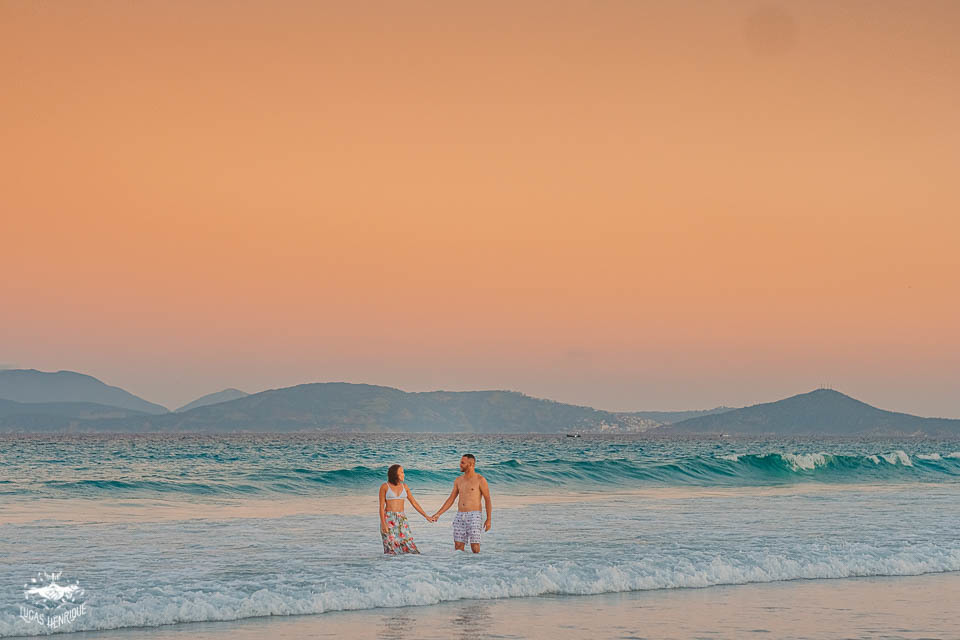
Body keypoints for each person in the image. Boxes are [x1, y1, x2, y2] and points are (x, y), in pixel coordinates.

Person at [432, 454, 492, 553]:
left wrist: (488, 519)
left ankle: (477, 567)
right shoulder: (458, 480)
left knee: (475, 545)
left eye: (462, 463)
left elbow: (488, 500)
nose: (460, 465)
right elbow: (451, 499)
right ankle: (461, 568)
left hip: (474, 515)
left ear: (471, 464)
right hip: (460, 515)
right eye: (460, 462)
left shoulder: (480, 480)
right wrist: (438, 513)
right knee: (458, 545)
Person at [379, 464, 435, 555]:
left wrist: (426, 516)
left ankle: (409, 566)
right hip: (388, 519)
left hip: (402, 518)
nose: (404, 474)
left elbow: (414, 503)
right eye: (401, 472)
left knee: (409, 544)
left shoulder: (405, 487)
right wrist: (383, 524)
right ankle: (391, 568)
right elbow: (381, 507)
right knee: (391, 547)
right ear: (395, 474)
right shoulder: (385, 487)